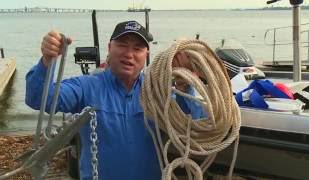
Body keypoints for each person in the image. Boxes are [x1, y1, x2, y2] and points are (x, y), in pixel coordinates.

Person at [25, 20, 205, 180]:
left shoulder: (157, 92)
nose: (129, 54)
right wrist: (47, 61)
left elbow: (194, 125)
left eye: (137, 48)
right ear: (109, 48)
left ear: (146, 55)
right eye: (122, 45)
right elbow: (40, 99)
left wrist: (185, 84)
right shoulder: (87, 87)